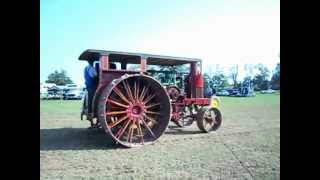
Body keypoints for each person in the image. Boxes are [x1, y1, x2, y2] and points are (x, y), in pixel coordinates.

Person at [84, 60, 98, 128]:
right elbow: (95, 76)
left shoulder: (85, 68)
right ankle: (92, 114)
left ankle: (92, 122)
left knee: (90, 100)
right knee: (93, 100)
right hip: (93, 86)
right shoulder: (92, 68)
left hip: (88, 85)